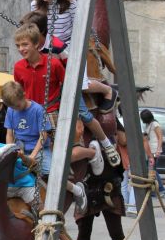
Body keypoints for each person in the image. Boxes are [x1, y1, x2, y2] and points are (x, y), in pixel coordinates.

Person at [1, 83, 86, 240]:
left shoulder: (38, 110)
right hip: (20, 147)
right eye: (13, 107)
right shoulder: (11, 111)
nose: (16, 109)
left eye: (18, 105)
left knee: (52, 173)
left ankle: (75, 189)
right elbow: (9, 133)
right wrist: (10, 149)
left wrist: (33, 156)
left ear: (23, 97)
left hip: (39, 148)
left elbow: (43, 136)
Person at [12, 22, 120, 167]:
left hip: (53, 110)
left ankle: (96, 149)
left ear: (37, 44)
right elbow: (20, 93)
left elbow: (70, 87)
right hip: (33, 114)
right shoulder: (19, 67)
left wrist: (77, 116)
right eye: (18, 46)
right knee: (33, 156)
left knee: (65, 152)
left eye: (25, 45)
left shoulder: (55, 61)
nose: (21, 49)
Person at [29, 0, 119, 115]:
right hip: (47, 46)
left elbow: (79, 29)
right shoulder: (36, 5)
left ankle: (107, 90)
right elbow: (37, 28)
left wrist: (72, 51)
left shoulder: (69, 4)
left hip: (69, 45)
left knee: (80, 84)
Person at [140, 109, 165, 198]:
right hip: (150, 150)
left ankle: (161, 189)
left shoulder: (155, 124)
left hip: (155, 150)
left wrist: (158, 149)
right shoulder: (149, 125)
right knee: (151, 171)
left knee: (152, 171)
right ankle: (155, 190)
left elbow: (160, 137)